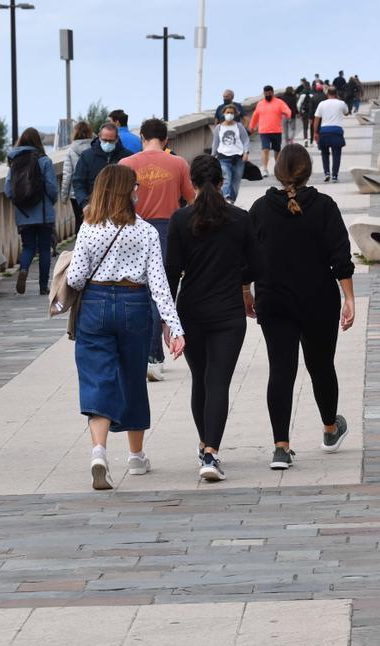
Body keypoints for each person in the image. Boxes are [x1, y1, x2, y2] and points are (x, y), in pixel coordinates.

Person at [68, 164, 185, 490]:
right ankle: (136, 457)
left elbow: (76, 278)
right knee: (132, 378)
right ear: (124, 191)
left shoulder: (88, 229)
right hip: (135, 305)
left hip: (95, 305)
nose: (138, 192)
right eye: (135, 187)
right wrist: (174, 327)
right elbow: (159, 284)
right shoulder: (146, 231)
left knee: (97, 378)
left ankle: (99, 451)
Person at [248, 144, 355, 471]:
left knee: (281, 369)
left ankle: (281, 447)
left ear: (278, 171)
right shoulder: (324, 206)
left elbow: (247, 258)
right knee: (321, 365)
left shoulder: (260, 209)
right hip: (319, 300)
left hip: (274, 300)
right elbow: (340, 257)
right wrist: (349, 298)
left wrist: (245, 292)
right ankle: (329, 428)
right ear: (308, 172)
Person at [165, 155, 259, 482]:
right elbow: (256, 265)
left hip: (191, 310)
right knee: (218, 382)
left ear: (190, 184)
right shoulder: (240, 219)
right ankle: (211, 453)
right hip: (229, 312)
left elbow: (171, 272)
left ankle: (204, 443)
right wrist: (242, 283)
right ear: (222, 182)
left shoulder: (180, 220)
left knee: (200, 379)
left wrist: (168, 320)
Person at [120, 117, 195, 382]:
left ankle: (135, 354)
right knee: (158, 293)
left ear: (141, 137)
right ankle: (154, 357)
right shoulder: (178, 163)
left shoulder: (126, 164)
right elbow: (191, 199)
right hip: (167, 230)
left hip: (132, 229)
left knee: (133, 291)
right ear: (166, 140)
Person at [4, 127, 59, 295]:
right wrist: (52, 201)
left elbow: (8, 190)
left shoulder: (14, 161)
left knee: (28, 246)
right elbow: (51, 187)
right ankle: (43, 286)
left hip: (23, 213)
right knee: (44, 248)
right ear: (38, 142)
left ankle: (24, 269)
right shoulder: (44, 161)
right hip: (43, 213)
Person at [71, 122, 133, 210]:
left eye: (110, 141)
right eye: (104, 140)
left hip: (120, 208)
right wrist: (84, 204)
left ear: (116, 139)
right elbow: (78, 182)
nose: (107, 143)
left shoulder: (128, 156)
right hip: (93, 207)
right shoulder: (87, 156)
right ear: (99, 137)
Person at [248, 84, 293, 172]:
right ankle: (265, 168)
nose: (268, 95)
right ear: (264, 93)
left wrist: (288, 114)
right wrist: (252, 127)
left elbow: (287, 110)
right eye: (266, 93)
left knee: (277, 150)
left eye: (269, 93)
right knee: (265, 149)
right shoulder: (260, 104)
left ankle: (277, 167)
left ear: (272, 93)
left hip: (276, 130)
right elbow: (255, 116)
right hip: (264, 131)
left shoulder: (279, 102)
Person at [212, 104, 250, 203]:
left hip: (238, 158)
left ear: (235, 114)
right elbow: (215, 144)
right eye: (228, 112)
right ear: (224, 113)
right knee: (226, 179)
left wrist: (246, 152)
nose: (229, 114)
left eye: (232, 113)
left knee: (235, 184)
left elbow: (245, 140)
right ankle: (226, 199)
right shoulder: (219, 128)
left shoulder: (239, 126)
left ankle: (231, 201)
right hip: (223, 157)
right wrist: (212, 157)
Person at [61, 121, 94, 228]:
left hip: (76, 193)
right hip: (94, 192)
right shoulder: (95, 148)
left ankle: (79, 242)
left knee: (79, 222)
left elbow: (67, 175)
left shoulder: (71, 151)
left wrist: (64, 196)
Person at [314, 86, 349, 183]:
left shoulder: (322, 104)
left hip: (324, 130)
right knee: (336, 154)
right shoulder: (341, 103)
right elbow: (347, 113)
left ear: (327, 93)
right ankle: (335, 175)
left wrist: (315, 132)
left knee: (324, 153)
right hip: (337, 130)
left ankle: (327, 173)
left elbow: (316, 119)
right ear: (336, 93)